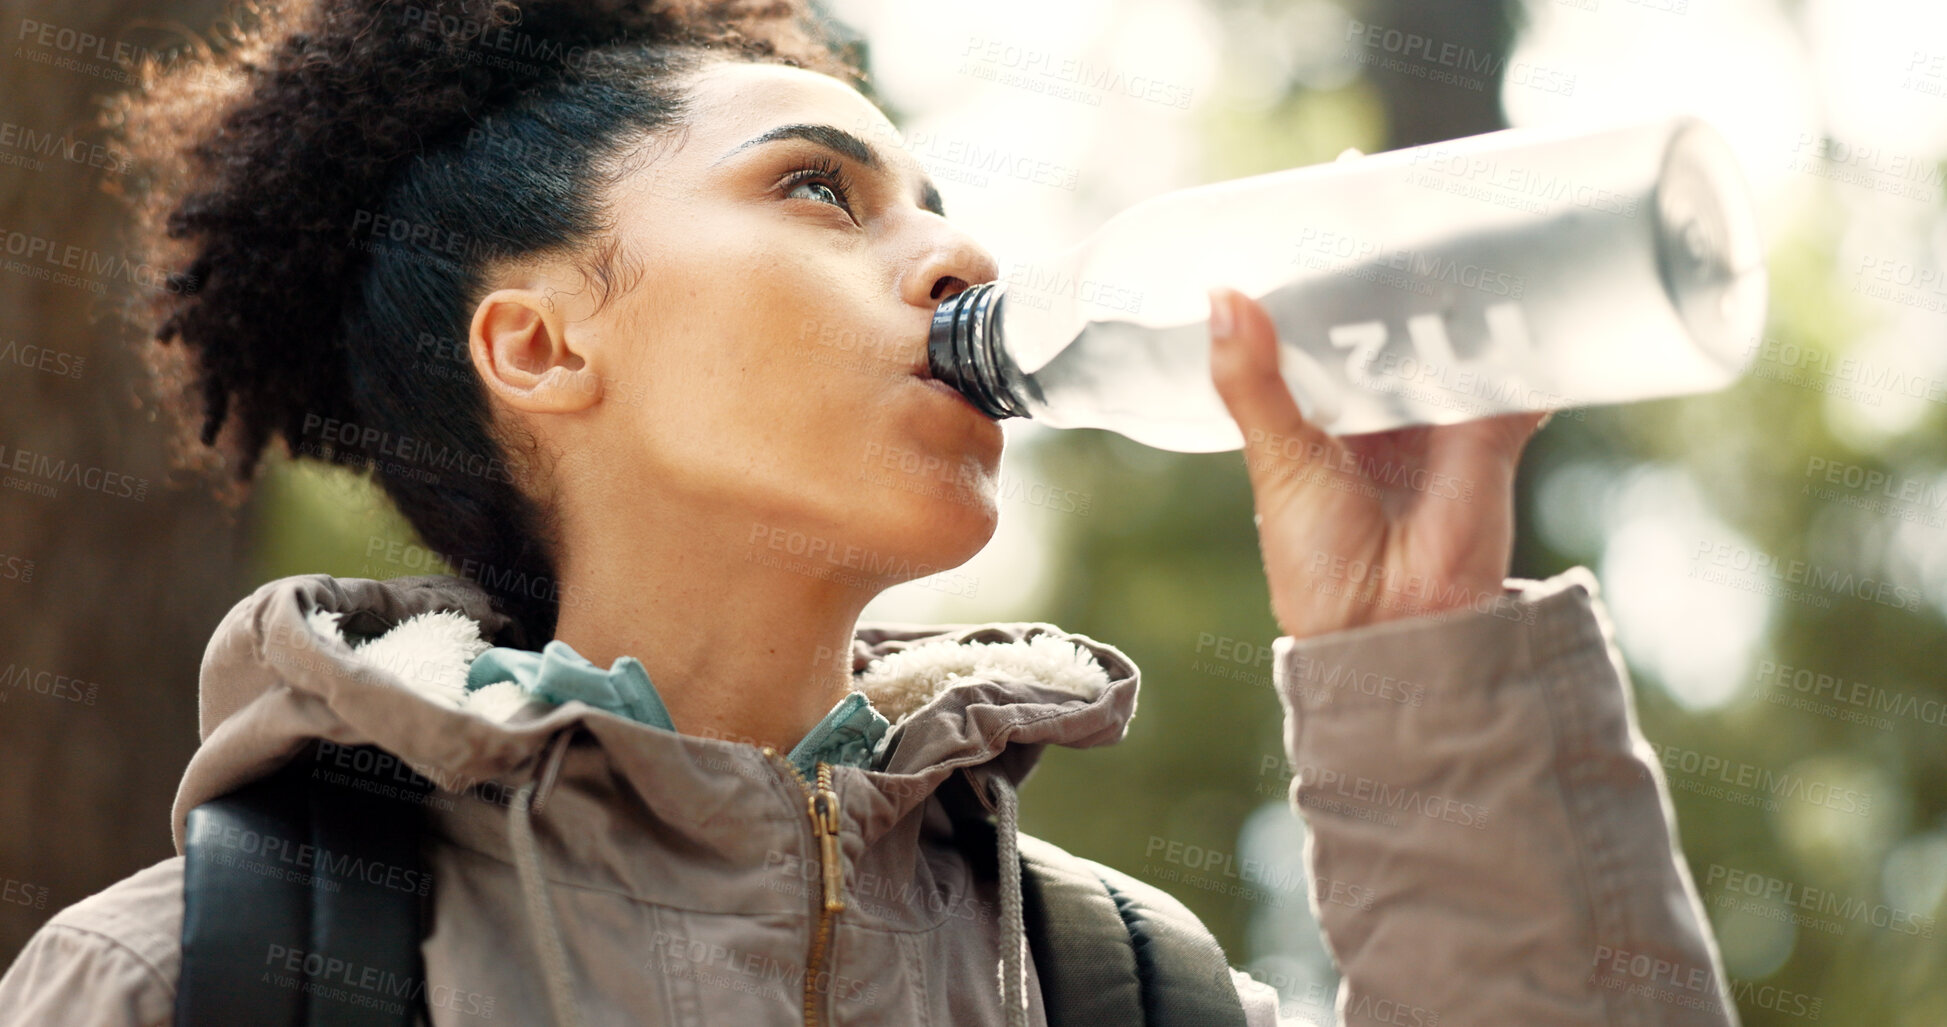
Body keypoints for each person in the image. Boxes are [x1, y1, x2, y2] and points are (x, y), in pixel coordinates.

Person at [0, 0, 1738, 1023]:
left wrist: (1421, 662)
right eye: (815, 189)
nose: (963, 256)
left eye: (939, 201)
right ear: (539, 342)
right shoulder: (199, 980)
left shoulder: (1120, 989)